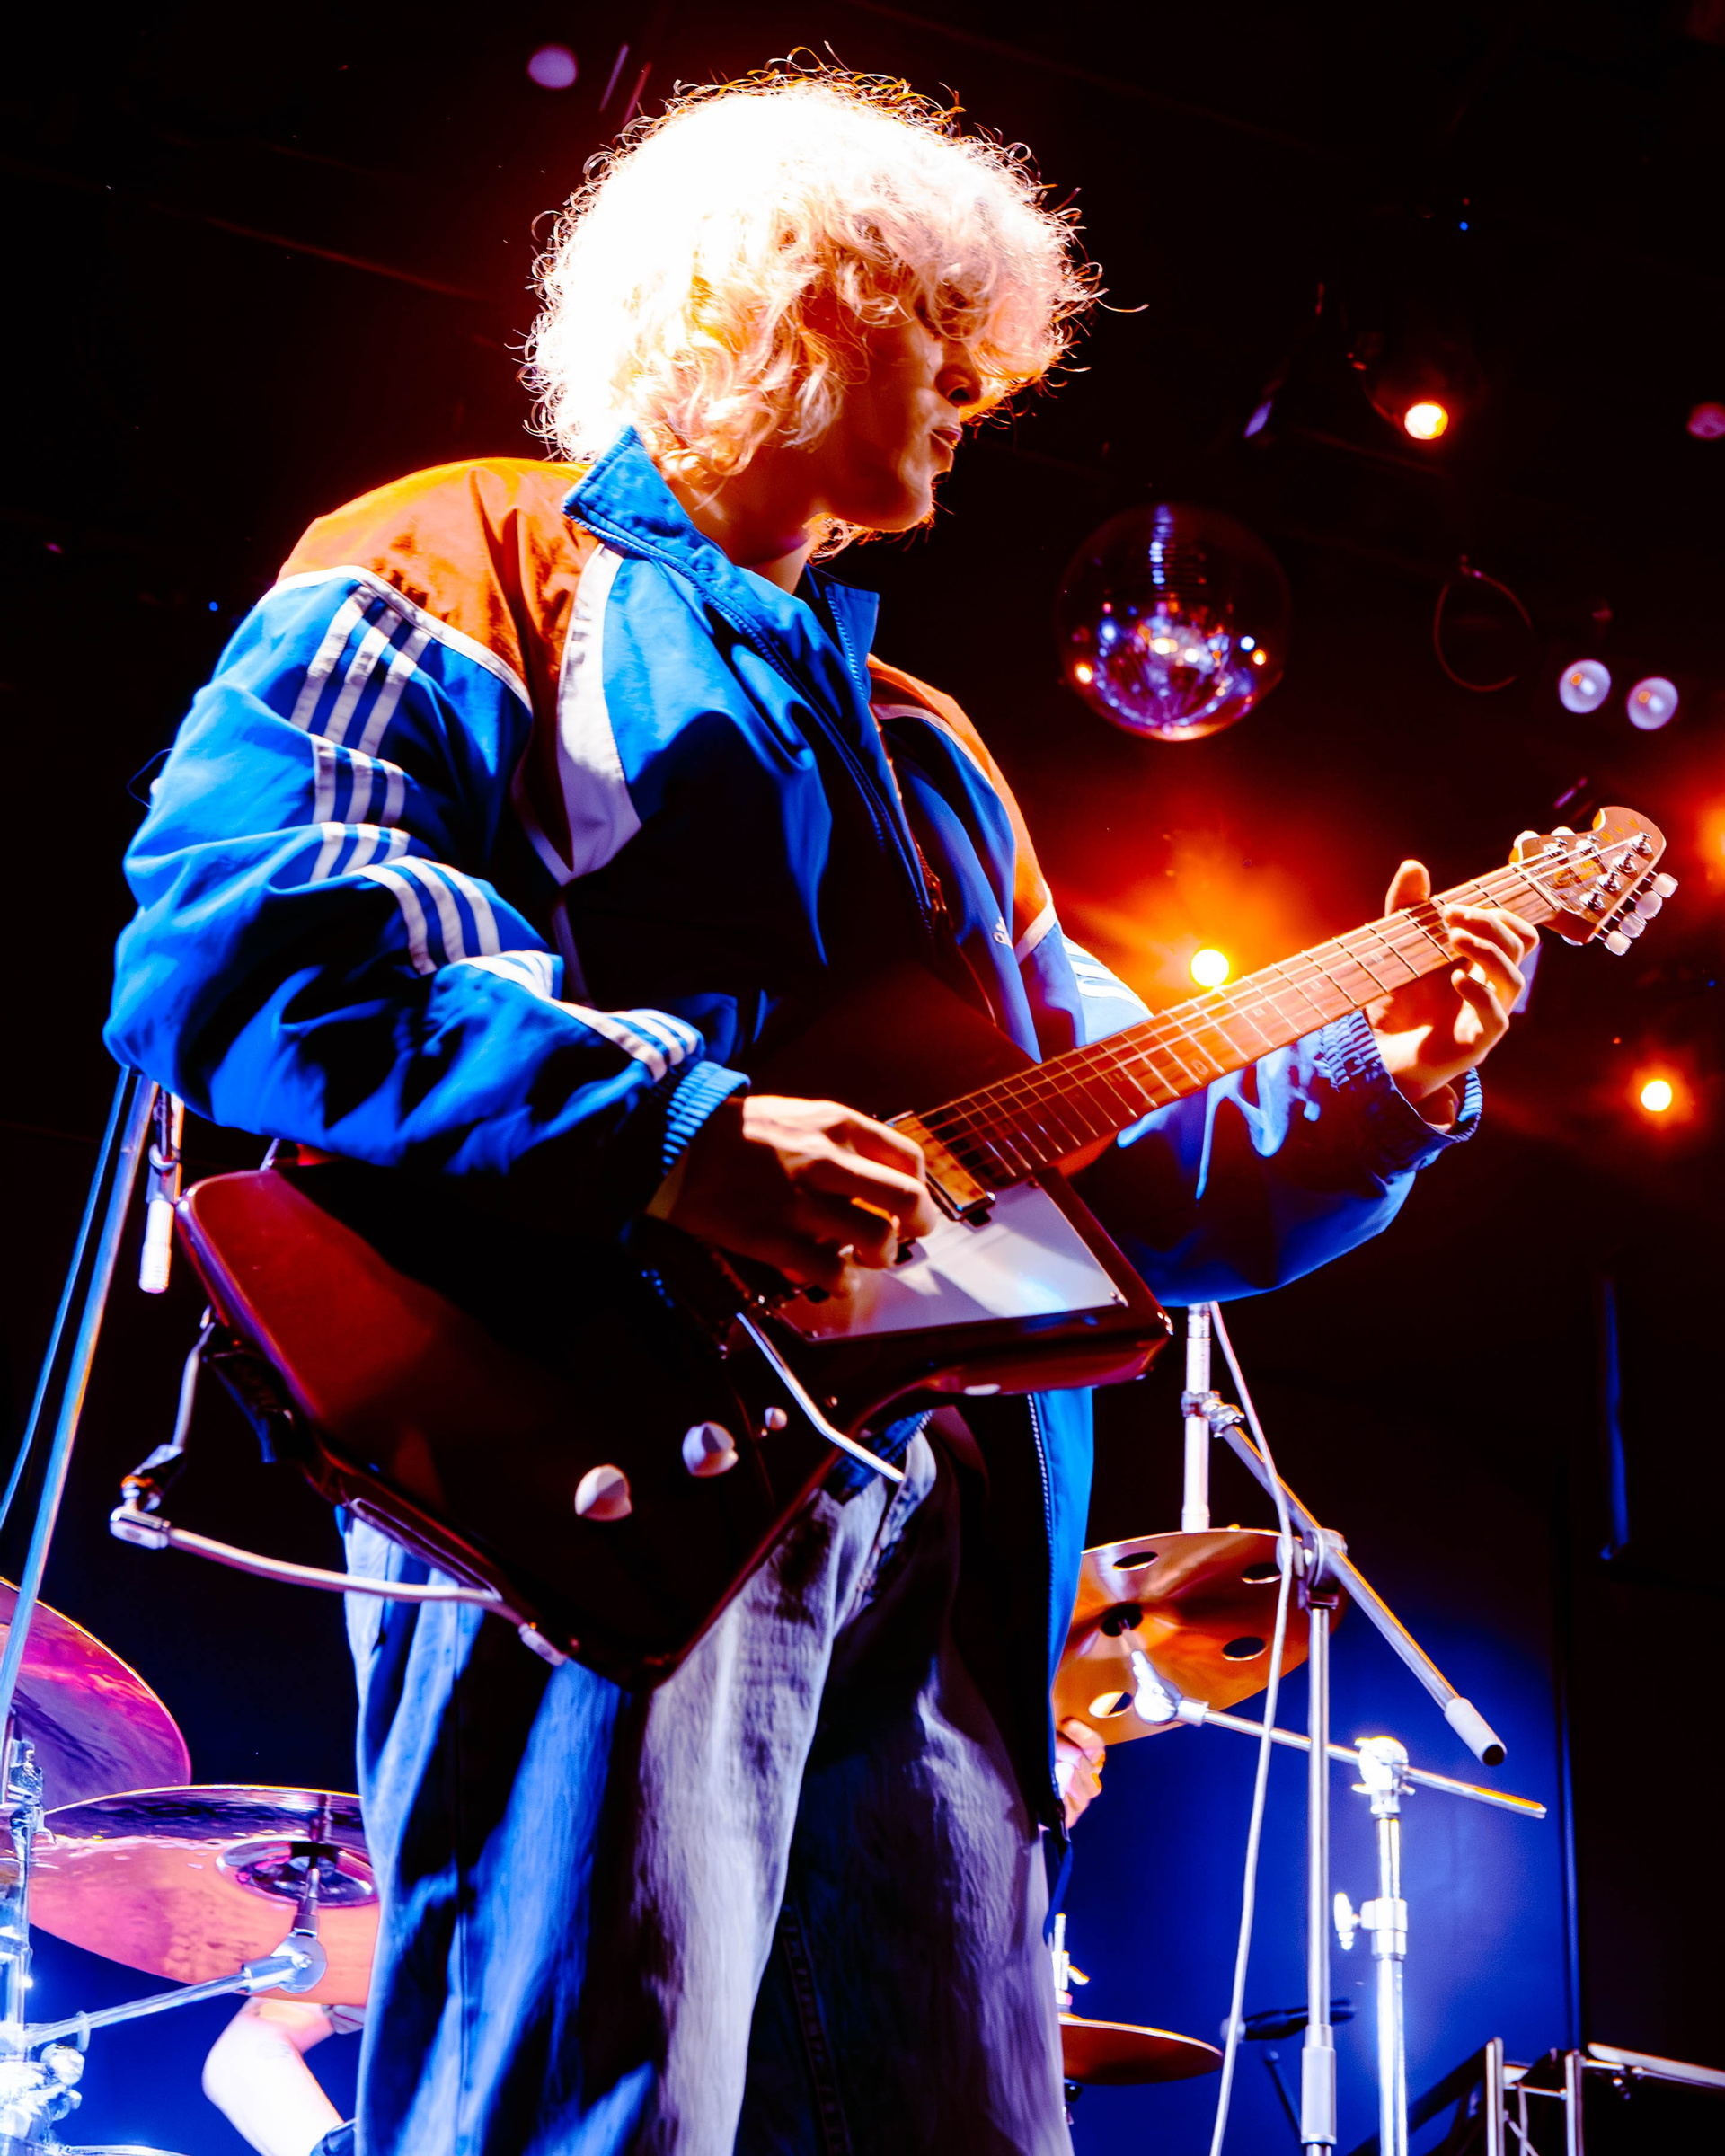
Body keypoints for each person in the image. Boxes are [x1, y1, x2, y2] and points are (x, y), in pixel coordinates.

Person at [105, 68, 1537, 2156]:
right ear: (775, 298)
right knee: (586, 2102)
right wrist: (674, 1134)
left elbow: (1110, 1153)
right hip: (599, 1474)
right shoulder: (460, 557)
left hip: (946, 1530)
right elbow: (259, 931)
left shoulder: (929, 750)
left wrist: (1387, 1087)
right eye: (937, 322)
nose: (980, 382)